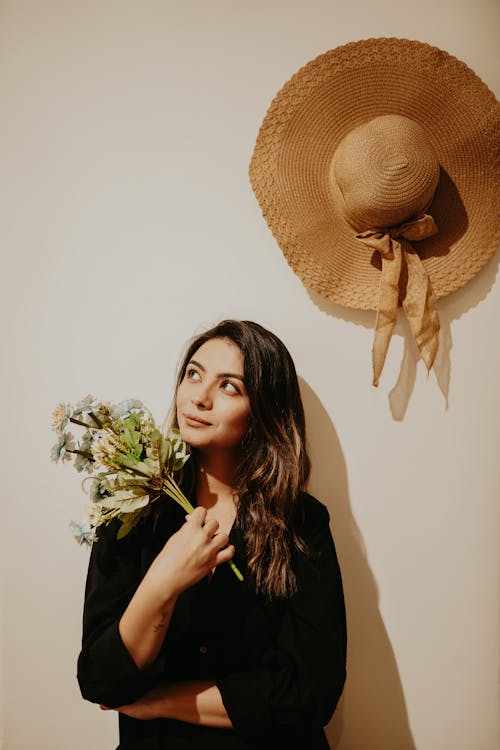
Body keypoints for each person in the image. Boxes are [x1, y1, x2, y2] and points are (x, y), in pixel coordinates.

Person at [77, 319, 347, 749]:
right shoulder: (129, 507)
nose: (199, 397)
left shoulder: (301, 523)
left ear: (263, 409)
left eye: (229, 387)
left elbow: (309, 693)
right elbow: (100, 679)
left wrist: (162, 701)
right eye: (194, 374)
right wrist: (164, 580)